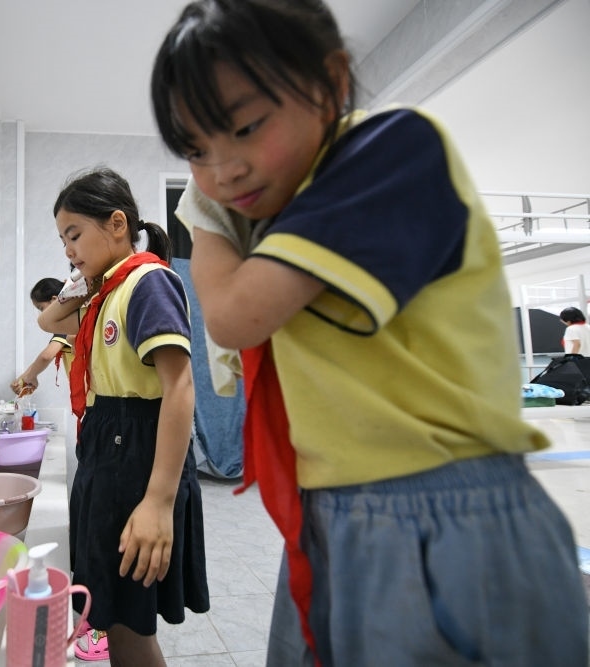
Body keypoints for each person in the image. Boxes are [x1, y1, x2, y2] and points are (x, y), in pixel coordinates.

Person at [150, 1, 588, 666]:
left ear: (330, 82)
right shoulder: (281, 213)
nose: (223, 169)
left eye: (244, 126)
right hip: (337, 512)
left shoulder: (385, 151)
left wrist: (203, 208)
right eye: (195, 151)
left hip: (438, 510)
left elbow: (234, 315)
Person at [37, 166, 209, 665]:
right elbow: (48, 318)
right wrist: (82, 278)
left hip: (137, 457)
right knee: (112, 617)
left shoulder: (148, 282)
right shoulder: (108, 292)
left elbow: (180, 386)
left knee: (128, 624)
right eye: (62, 240)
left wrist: (158, 501)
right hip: (108, 450)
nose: (68, 250)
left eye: (74, 235)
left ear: (117, 224)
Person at [10, 277, 74, 397]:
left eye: (41, 308)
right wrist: (24, 377)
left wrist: (31, 377)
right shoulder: (74, 317)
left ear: (54, 300)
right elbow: (45, 355)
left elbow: (46, 356)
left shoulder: (67, 324)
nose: (42, 314)